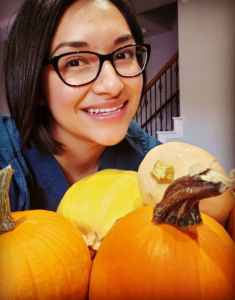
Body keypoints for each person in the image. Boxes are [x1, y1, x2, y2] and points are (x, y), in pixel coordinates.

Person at [0, 0, 161, 212]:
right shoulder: (6, 158)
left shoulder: (154, 164)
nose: (113, 85)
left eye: (123, 55)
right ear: (36, 85)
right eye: (75, 62)